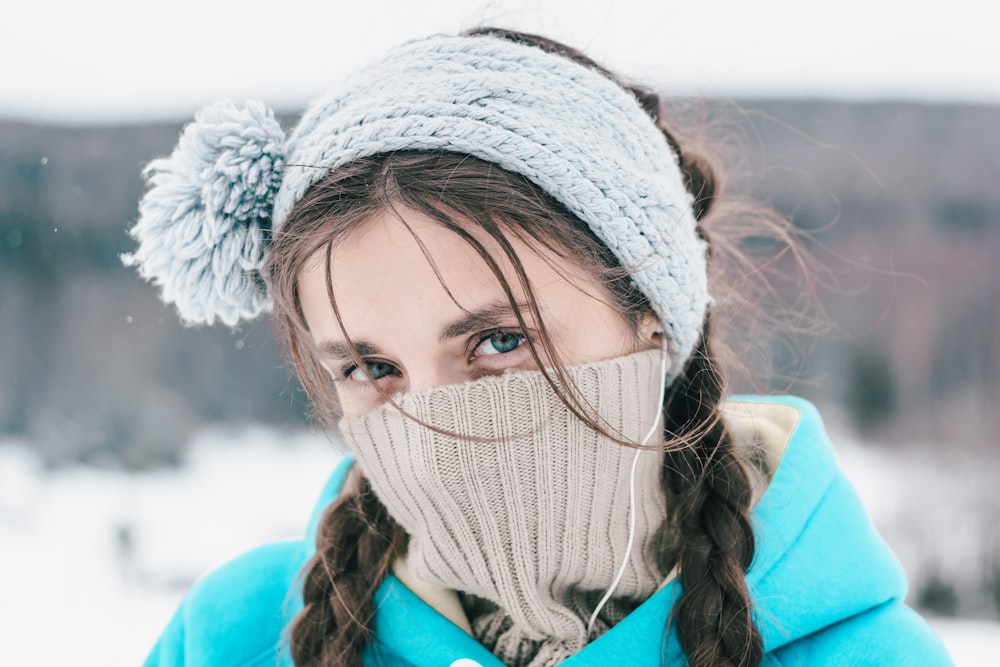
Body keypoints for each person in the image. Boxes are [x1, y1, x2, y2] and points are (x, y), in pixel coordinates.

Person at [125, 27, 952, 667]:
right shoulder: (234, 633)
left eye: (497, 340)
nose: (431, 423)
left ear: (649, 318)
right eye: (371, 367)